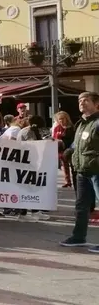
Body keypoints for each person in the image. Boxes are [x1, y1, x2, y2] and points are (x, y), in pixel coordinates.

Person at [62, 92, 99, 250]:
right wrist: (68, 150)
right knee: (81, 206)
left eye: (86, 100)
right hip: (82, 170)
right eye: (79, 100)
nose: (82, 103)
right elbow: (77, 145)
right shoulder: (81, 124)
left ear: (96, 104)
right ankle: (78, 237)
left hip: (97, 170)